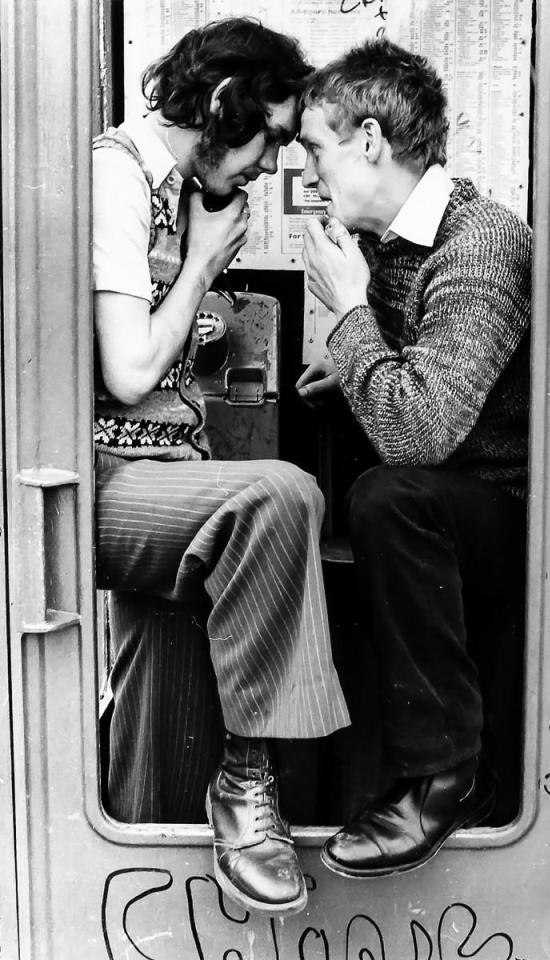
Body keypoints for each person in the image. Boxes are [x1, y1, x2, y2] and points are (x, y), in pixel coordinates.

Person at [92, 17, 349, 916]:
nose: (271, 164)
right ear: (216, 106)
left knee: (165, 708)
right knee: (282, 496)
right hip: (98, 487)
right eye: (270, 136)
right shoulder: (117, 177)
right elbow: (127, 373)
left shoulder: (174, 192)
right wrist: (201, 265)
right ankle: (249, 784)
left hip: (159, 477)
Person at [296, 38, 531, 878]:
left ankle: (442, 778)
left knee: (389, 494)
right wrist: (352, 368)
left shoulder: (479, 244)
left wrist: (353, 317)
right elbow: (413, 372)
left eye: (317, 149)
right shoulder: (396, 239)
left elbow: (420, 434)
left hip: (503, 518)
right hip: (450, 506)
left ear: (368, 140)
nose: (311, 172)